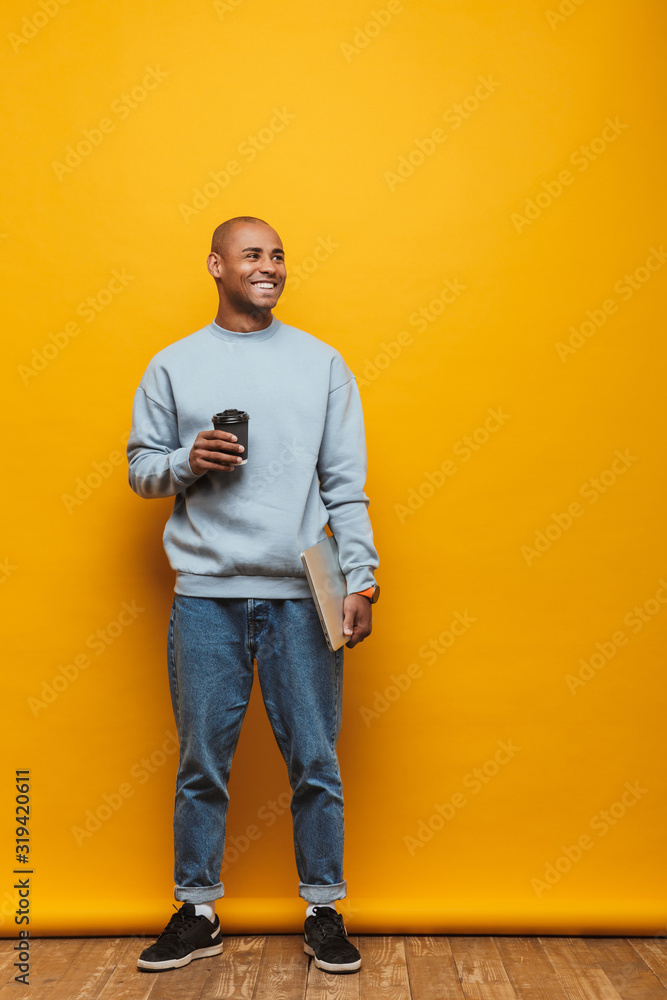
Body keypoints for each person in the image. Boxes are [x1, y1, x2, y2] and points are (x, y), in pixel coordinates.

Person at [126, 216, 380, 975]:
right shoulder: (172, 366)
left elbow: (345, 486)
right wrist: (186, 459)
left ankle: (323, 909)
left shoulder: (321, 363)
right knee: (202, 760)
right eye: (252, 255)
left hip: (306, 591)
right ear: (216, 266)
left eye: (276, 256)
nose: (268, 267)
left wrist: (359, 576)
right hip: (205, 593)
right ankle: (197, 909)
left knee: (316, 760)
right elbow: (141, 470)